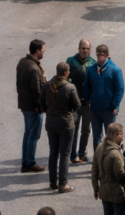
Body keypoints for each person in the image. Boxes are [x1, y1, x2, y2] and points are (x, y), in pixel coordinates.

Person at [44, 61, 81, 193]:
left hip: (51, 123)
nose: (69, 72)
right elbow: (77, 105)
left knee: (53, 153)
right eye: (68, 70)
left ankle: (52, 182)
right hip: (66, 124)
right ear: (65, 72)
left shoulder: (47, 85)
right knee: (65, 155)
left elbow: (42, 104)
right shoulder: (70, 87)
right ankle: (62, 184)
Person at [83, 44, 125, 151]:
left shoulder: (115, 70)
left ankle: (109, 157)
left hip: (109, 110)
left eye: (101, 55)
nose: (99, 57)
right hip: (95, 109)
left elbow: (120, 89)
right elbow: (86, 86)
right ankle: (97, 159)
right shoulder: (91, 69)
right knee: (96, 136)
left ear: (107, 55)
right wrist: (87, 100)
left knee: (110, 136)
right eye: (98, 55)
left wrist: (115, 105)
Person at [17, 39, 47, 173]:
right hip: (33, 107)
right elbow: (36, 90)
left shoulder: (22, 62)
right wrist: (40, 106)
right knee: (33, 136)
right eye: (43, 50)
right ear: (37, 51)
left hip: (24, 105)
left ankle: (26, 161)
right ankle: (29, 163)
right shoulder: (34, 68)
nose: (44, 52)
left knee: (27, 134)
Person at [68, 39, 96, 163]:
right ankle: (73, 155)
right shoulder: (70, 61)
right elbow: (65, 79)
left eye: (87, 48)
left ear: (90, 49)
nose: (85, 50)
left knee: (86, 129)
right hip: (74, 102)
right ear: (78, 48)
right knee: (73, 129)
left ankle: (82, 153)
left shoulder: (93, 63)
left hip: (87, 103)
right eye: (83, 48)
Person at [92, 123, 125, 215]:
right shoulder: (115, 154)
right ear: (117, 134)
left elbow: (94, 171)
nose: (122, 136)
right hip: (117, 193)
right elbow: (120, 175)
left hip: (104, 191)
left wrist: (96, 189)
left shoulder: (99, 147)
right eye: (121, 134)